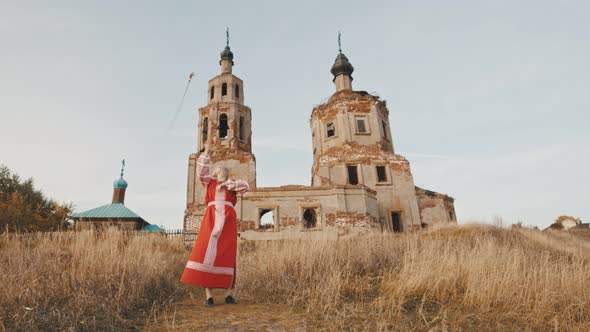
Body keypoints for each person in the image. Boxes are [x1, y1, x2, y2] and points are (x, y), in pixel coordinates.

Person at [180, 142, 249, 307]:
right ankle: (209, 296)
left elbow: (245, 186)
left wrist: (228, 183)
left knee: (228, 254)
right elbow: (202, 172)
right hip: (211, 218)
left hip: (228, 220)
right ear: (215, 174)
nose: (221, 173)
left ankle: (229, 295)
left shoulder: (232, 186)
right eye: (219, 172)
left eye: (224, 172)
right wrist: (206, 152)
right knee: (206, 253)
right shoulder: (209, 183)